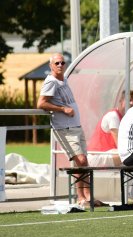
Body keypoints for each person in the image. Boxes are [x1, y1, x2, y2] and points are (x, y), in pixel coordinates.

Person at [37, 53, 101, 207]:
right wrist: (62, 109)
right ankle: (80, 197)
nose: (60, 65)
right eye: (57, 63)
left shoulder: (63, 79)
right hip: (64, 128)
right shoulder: (51, 81)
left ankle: (88, 195)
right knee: (80, 161)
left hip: (75, 126)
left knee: (84, 162)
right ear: (50, 65)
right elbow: (41, 104)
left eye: (62, 63)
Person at [87, 90, 133, 167]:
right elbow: (120, 144)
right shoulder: (113, 116)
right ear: (121, 101)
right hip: (97, 156)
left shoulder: (125, 118)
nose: (131, 103)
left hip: (110, 154)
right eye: (129, 100)